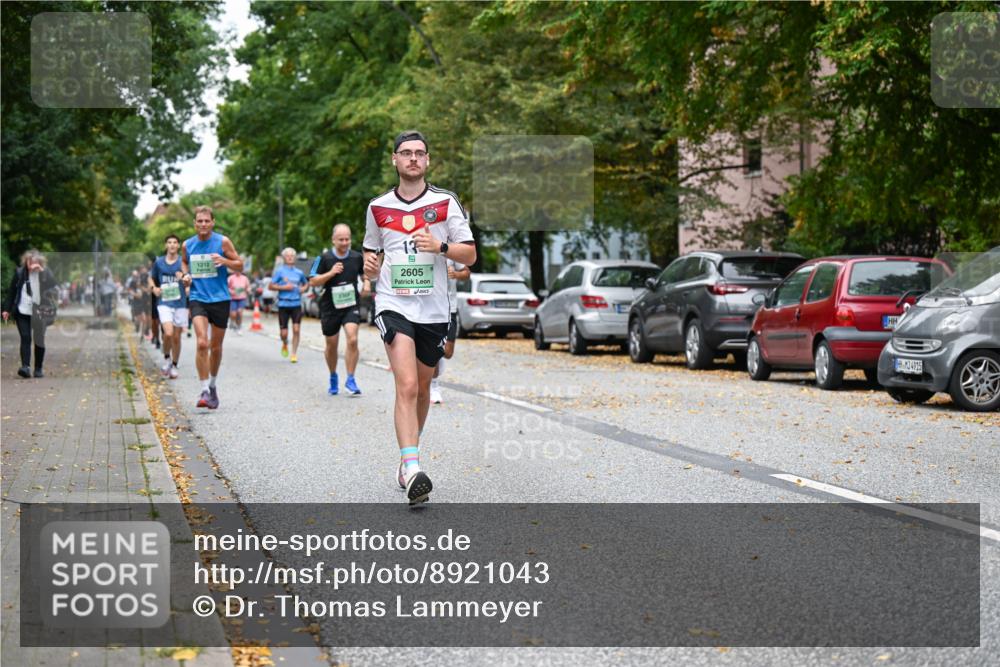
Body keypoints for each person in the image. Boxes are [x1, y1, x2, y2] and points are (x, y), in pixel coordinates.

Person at [363, 130, 476, 505]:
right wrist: (369, 266)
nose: (413, 158)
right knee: (407, 385)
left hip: (434, 309)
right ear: (394, 159)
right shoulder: (377, 207)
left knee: (424, 389)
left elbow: (470, 255)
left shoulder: (445, 203)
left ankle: (405, 458)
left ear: (427, 161)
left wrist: (441, 246)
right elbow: (371, 255)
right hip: (393, 304)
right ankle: (413, 469)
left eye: (420, 153)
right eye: (406, 153)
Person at [180, 205, 244, 409]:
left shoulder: (222, 241)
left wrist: (224, 260)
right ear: (195, 223)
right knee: (201, 343)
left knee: (216, 347)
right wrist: (185, 276)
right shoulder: (187, 245)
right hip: (198, 297)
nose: (203, 224)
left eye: (207, 221)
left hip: (220, 299)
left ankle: (213, 386)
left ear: (213, 222)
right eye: (199, 221)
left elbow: (240, 265)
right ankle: (204, 390)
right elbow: (183, 264)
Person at [309, 223, 370, 395]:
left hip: (351, 304)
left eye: (347, 239)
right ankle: (333, 375)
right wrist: (330, 273)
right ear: (333, 240)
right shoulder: (323, 258)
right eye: (341, 239)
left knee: (352, 339)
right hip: (330, 307)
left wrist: (366, 283)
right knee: (331, 345)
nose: (345, 242)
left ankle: (350, 379)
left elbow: (364, 273)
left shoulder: (357, 257)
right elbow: (312, 281)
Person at [2, 250, 58, 378]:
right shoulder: (19, 273)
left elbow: (53, 285)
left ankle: (38, 368)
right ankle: (25, 367)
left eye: (35, 262)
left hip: (39, 312)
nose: (32, 264)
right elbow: (11, 292)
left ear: (40, 262)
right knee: (25, 337)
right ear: (25, 261)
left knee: (39, 339)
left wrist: (42, 271)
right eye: (29, 262)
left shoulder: (45, 273)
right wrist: (6, 309)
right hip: (22, 311)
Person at [430, 258, 471, 404]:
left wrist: (455, 274)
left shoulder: (451, 252)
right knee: (434, 349)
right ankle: (434, 387)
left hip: (450, 308)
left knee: (447, 352)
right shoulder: (423, 250)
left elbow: (467, 272)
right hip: (430, 307)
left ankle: (437, 355)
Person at [149, 234, 187, 378]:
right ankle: (166, 358)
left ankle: (175, 364)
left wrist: (183, 279)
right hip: (164, 302)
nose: (172, 245)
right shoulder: (159, 263)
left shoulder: (183, 263)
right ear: (166, 245)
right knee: (168, 333)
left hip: (180, 303)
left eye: (175, 242)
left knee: (177, 337)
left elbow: (189, 280)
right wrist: (154, 288)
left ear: (178, 245)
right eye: (169, 242)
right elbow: (151, 278)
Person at [270, 248, 309, 363]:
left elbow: (306, 284)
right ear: (284, 258)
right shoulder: (280, 271)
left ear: (295, 258)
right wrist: (283, 288)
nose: (290, 257)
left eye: (292, 255)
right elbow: (271, 286)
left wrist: (303, 289)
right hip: (283, 304)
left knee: (296, 329)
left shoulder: (299, 272)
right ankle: (285, 342)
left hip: (296, 304)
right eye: (288, 255)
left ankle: (293, 353)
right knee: (284, 333)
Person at [227, 266, 251, 334]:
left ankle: (239, 326)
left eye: (239, 270)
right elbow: (226, 286)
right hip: (233, 298)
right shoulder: (231, 278)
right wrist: (232, 291)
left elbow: (248, 286)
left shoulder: (245, 278)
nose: (238, 271)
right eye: (236, 270)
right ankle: (232, 321)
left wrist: (248, 290)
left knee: (240, 312)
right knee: (233, 314)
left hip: (242, 298)